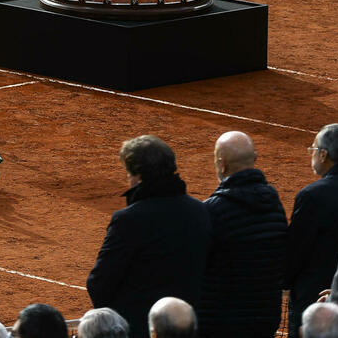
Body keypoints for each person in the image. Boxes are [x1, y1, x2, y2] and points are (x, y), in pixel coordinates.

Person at [87, 135, 211, 338]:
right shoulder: (200, 211)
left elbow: (99, 283)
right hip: (188, 325)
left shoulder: (128, 220)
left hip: (139, 328)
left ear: (138, 176)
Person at [197, 130, 287, 338]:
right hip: (266, 318)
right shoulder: (274, 203)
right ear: (254, 159)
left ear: (222, 164)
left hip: (222, 322)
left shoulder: (211, 210)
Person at [287, 123, 338, 335]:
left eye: (313, 149)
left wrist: (285, 281)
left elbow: (296, 251)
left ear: (323, 155)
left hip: (314, 299)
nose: (311, 154)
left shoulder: (313, 196)